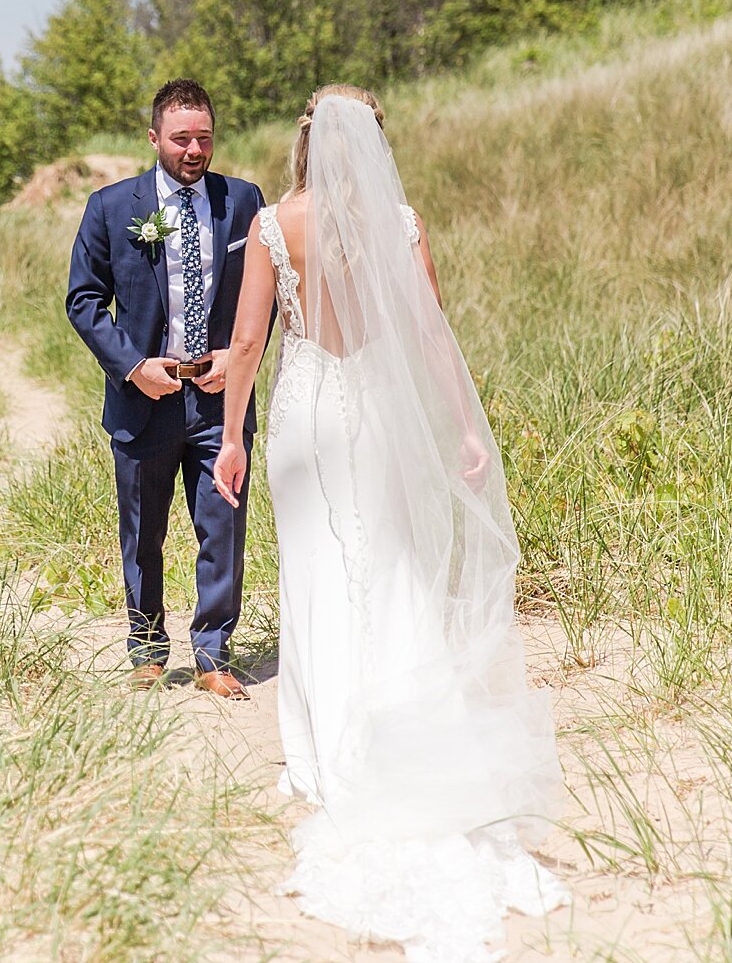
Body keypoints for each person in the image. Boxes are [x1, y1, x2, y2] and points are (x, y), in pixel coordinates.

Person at [213, 86, 567, 961]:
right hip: (376, 405)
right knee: (396, 565)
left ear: (305, 143)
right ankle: (404, 722)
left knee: (316, 573)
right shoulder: (401, 222)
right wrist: (463, 429)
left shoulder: (272, 225)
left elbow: (249, 343)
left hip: (307, 417)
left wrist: (229, 435)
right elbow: (432, 332)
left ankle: (323, 752)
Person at [66, 78, 267, 698]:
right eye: (181, 138)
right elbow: (84, 300)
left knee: (221, 526)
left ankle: (212, 654)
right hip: (144, 397)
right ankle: (148, 647)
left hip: (219, 398)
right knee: (143, 530)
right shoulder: (110, 207)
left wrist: (236, 361)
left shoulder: (244, 202)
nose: (194, 149)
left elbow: (266, 291)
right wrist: (133, 366)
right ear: (154, 138)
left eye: (204, 137)